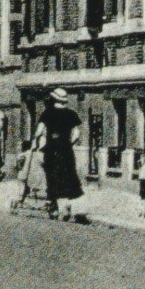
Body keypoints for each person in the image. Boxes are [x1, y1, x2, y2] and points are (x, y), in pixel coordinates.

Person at [36, 88, 88, 221]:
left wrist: (37, 143)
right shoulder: (71, 114)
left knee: (53, 178)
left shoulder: (47, 113)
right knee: (70, 177)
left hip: (51, 150)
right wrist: (69, 143)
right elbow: (76, 134)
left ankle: (59, 208)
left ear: (53, 99)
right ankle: (77, 209)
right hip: (66, 151)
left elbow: (39, 132)